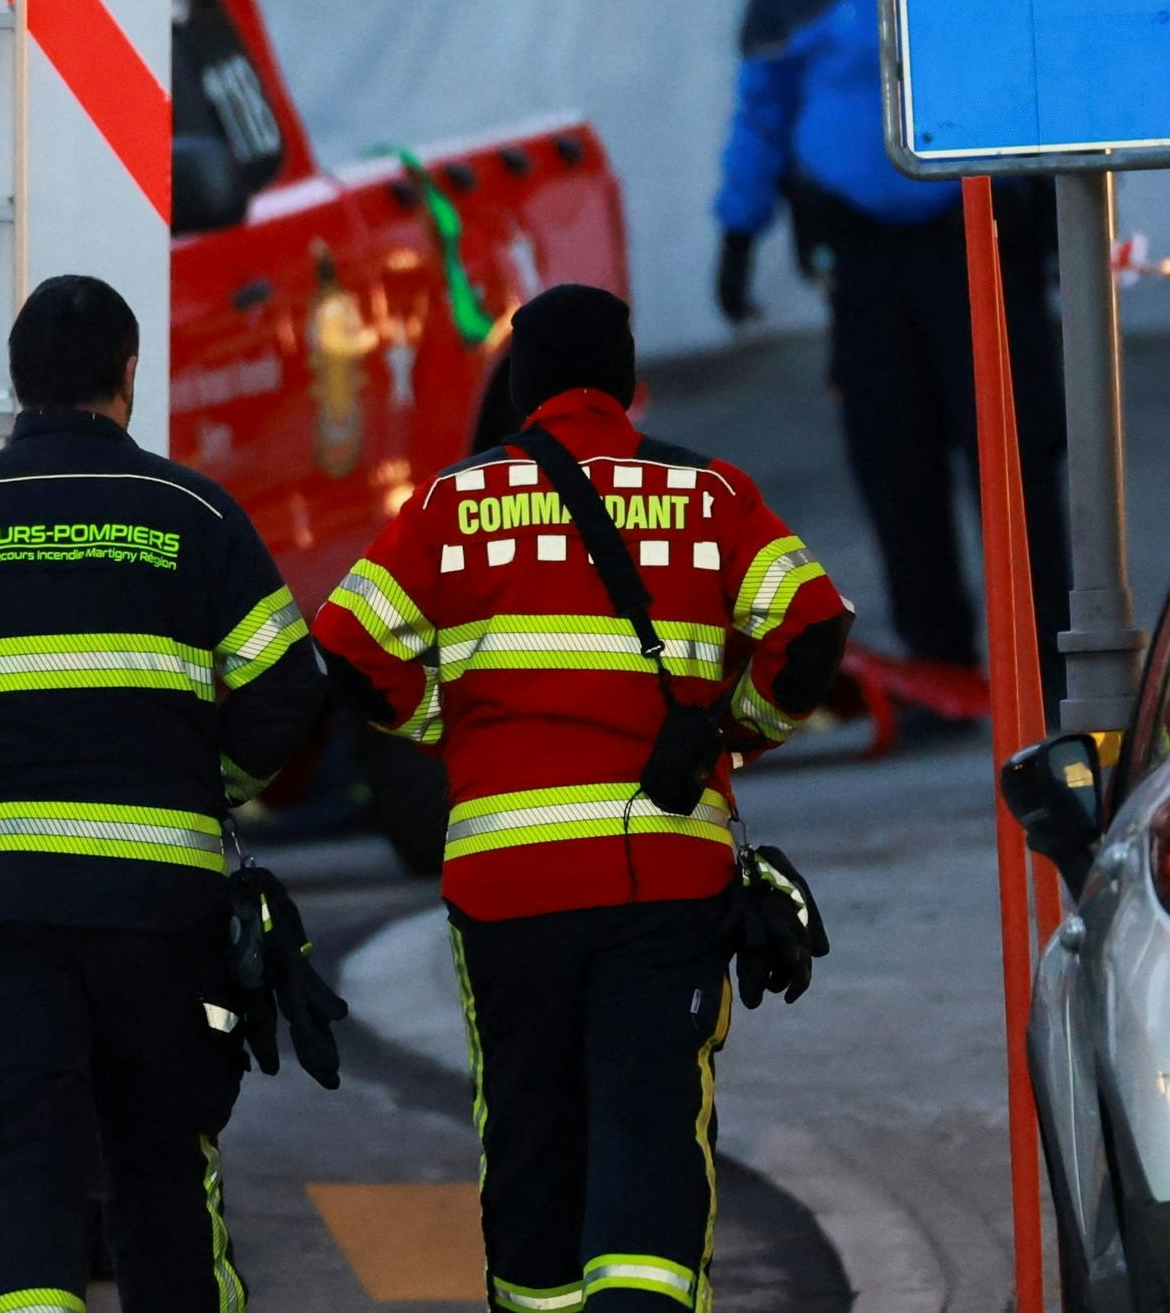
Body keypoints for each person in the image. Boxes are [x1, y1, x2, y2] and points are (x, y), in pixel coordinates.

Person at [313, 286, 849, 1313]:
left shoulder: (449, 504)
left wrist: (444, 724)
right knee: (651, 1128)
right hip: (665, 879)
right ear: (626, 381)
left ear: (521, 387)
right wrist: (735, 730)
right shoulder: (708, 493)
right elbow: (813, 628)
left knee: (530, 1132)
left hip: (507, 883)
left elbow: (344, 648)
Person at [0, 274, 325, 1313]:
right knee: (165, 1167)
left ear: (17, 381)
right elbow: (288, 685)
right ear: (129, 374)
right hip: (164, 910)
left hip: (6, 909)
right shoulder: (194, 513)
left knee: (26, 1165)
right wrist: (210, 786)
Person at [712, 0, 1073, 696]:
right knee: (892, 457)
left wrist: (1059, 219)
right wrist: (738, 233)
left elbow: (1040, 76)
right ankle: (941, 664)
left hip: (977, 243)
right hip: (863, 261)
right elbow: (761, 116)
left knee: (1013, 450)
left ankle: (1054, 651)